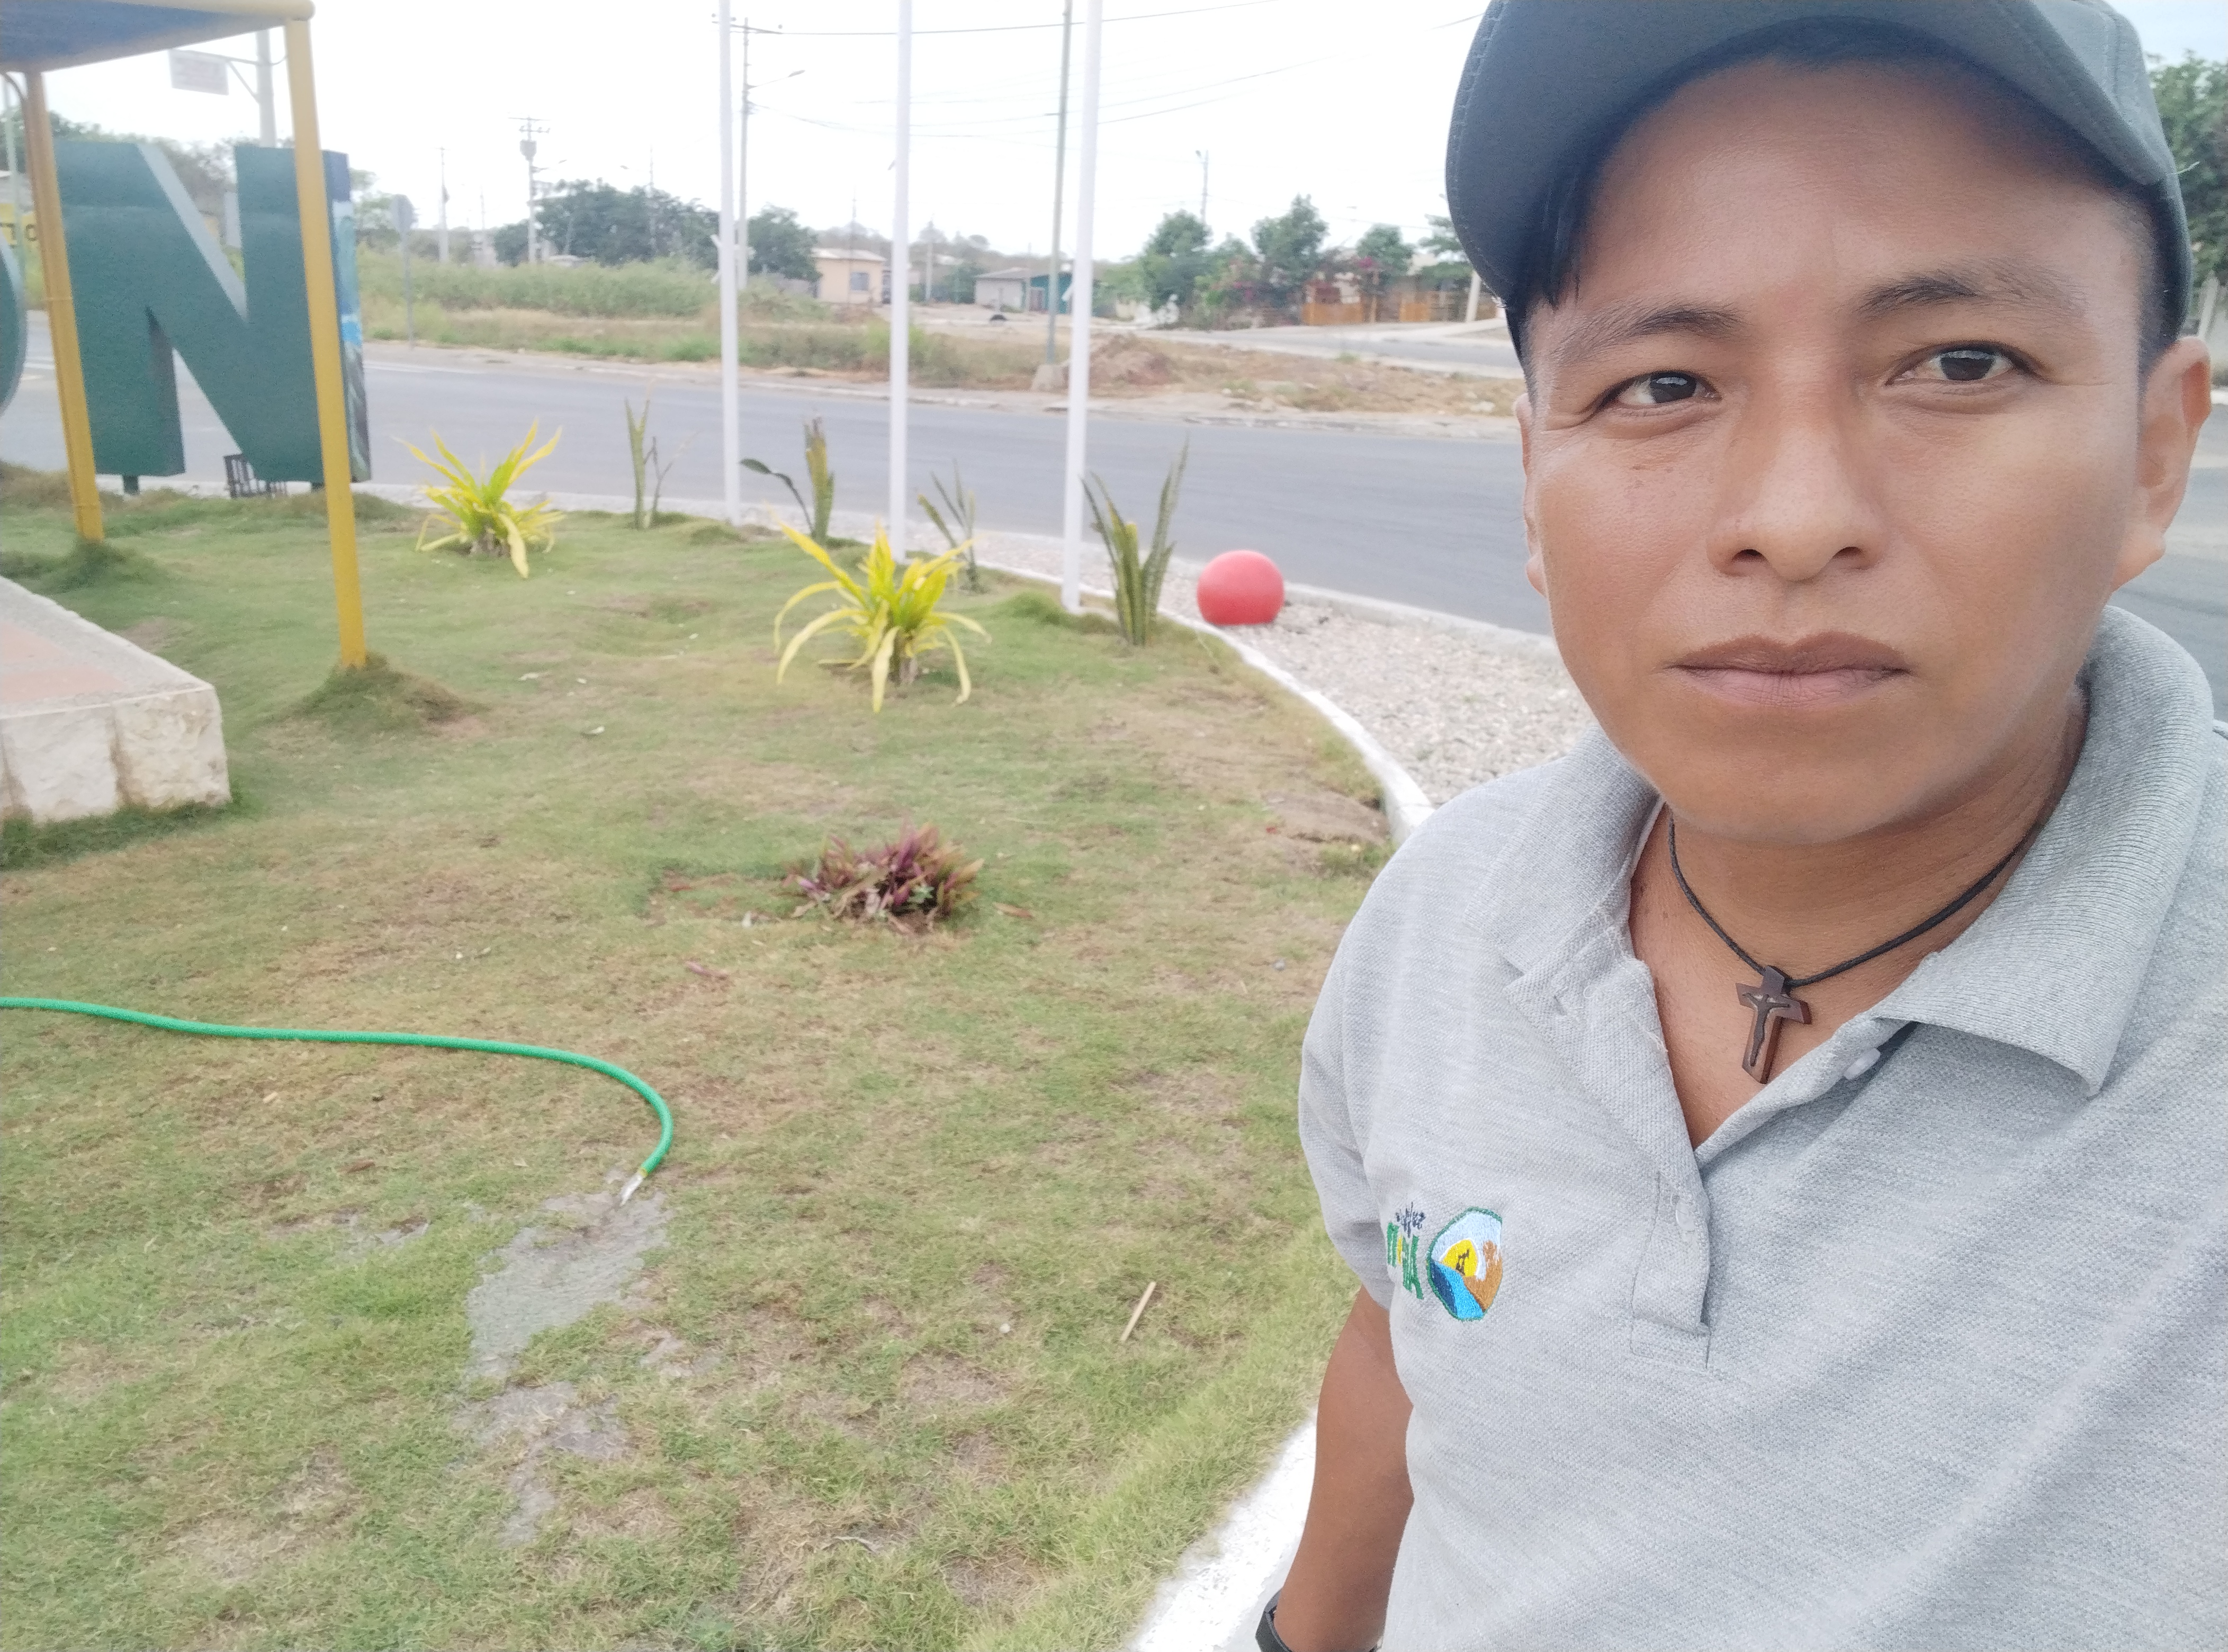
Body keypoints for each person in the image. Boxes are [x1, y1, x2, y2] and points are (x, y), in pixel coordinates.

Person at [1266, 4, 2222, 1649]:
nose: (1793, 519)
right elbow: (1408, 1355)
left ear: (2154, 453)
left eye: (1959, 363)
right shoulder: (1442, 917)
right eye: (1661, 384)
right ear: (1533, 485)